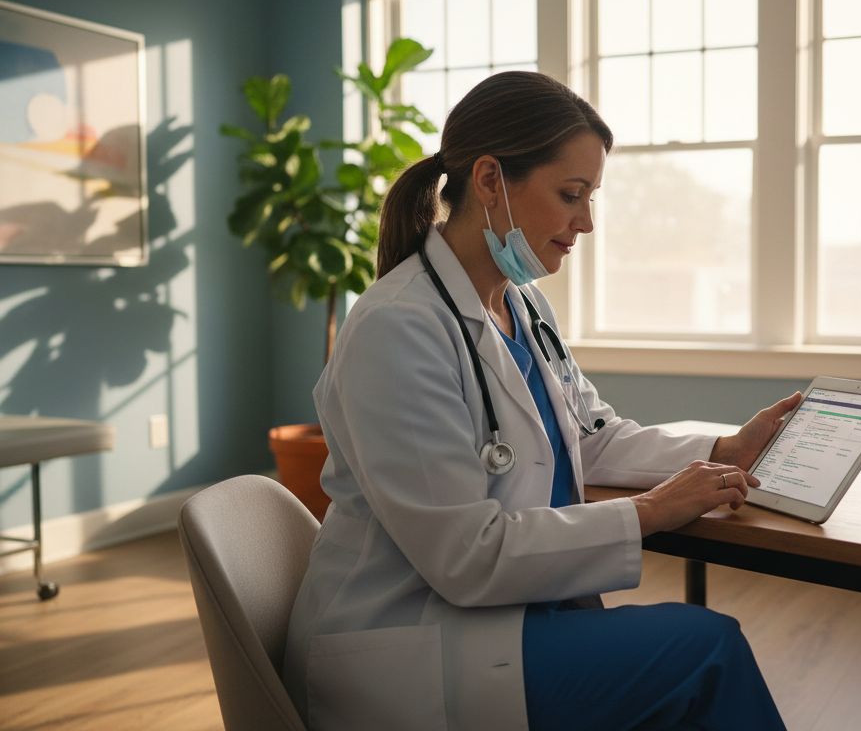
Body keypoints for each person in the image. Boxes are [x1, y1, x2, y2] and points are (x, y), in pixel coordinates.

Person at [282, 70, 801, 730]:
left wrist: (723, 449)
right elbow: (466, 555)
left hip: (509, 613)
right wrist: (649, 511)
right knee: (705, 648)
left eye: (592, 198)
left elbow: (590, 435)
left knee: (684, 655)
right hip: (407, 643)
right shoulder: (398, 326)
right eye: (570, 194)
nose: (585, 222)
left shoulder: (521, 304)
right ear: (491, 180)